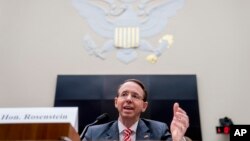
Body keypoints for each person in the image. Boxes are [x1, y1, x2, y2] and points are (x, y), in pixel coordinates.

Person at [83, 79, 189, 141]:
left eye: (135, 96)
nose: (129, 99)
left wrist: (178, 140)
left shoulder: (159, 130)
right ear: (116, 102)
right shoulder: (94, 133)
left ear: (144, 106)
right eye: (124, 94)